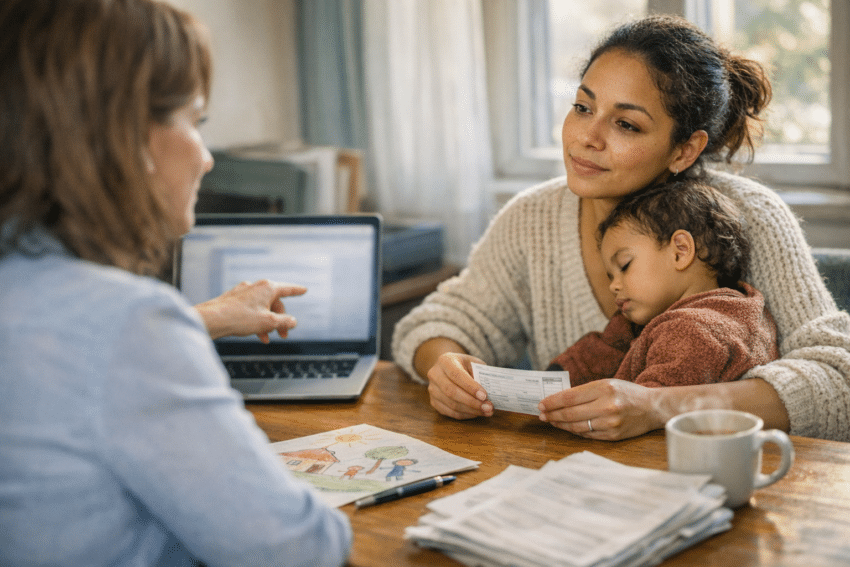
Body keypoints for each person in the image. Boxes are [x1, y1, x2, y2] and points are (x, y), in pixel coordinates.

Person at [0, 1, 351, 566]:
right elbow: (299, 551)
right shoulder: (129, 323)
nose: (207, 158)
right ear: (132, 138)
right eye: (195, 122)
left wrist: (202, 318)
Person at [392, 14, 850, 442]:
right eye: (582, 106)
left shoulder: (750, 216)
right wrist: (445, 365)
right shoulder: (532, 218)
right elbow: (441, 321)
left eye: (626, 124)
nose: (586, 137)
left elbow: (839, 379)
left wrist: (659, 406)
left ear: (684, 151)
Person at [546, 180, 779, 389]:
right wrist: (555, 378)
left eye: (625, 265)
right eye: (610, 276)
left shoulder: (691, 332)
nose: (614, 286)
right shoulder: (658, 316)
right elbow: (606, 350)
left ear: (680, 251)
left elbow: (646, 411)